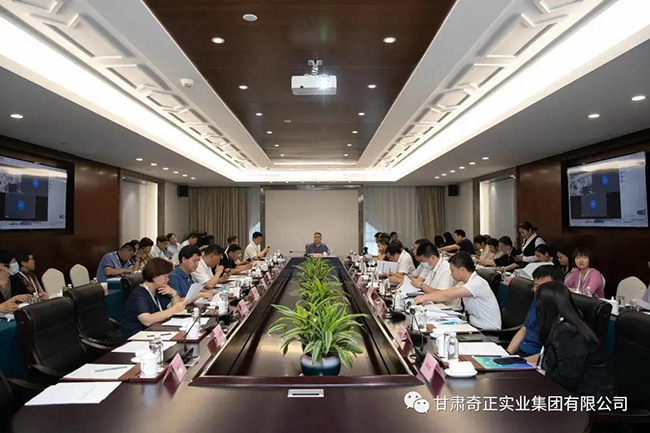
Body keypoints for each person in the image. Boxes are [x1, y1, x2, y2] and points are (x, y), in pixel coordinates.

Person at [535, 281, 616, 397]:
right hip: (572, 391)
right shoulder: (561, 326)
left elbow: (568, 378)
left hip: (589, 397)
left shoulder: (567, 333)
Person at [415, 252, 501, 330]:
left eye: (452, 271)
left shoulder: (477, 283)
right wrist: (426, 297)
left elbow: (450, 294)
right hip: (474, 325)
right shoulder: (464, 282)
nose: (451, 274)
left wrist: (426, 297)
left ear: (462, 270)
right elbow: (448, 291)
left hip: (487, 331)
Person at [507, 266, 565, 361]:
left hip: (537, 360)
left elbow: (549, 356)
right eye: (536, 286)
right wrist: (507, 355)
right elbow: (524, 329)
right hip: (520, 355)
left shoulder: (562, 312)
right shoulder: (536, 302)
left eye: (545, 286)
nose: (539, 290)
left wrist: (519, 363)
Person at [121, 258, 186, 340]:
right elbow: (147, 320)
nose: (168, 279)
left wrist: (174, 294)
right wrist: (174, 310)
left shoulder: (158, 290)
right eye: (165, 276)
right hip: (137, 338)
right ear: (154, 276)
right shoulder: (138, 295)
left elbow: (174, 310)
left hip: (155, 333)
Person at [410, 242, 460, 310]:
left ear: (432, 258)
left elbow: (441, 294)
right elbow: (426, 286)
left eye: (424, 261)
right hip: (435, 305)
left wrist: (421, 285)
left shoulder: (446, 269)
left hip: (449, 308)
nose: (423, 264)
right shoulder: (432, 268)